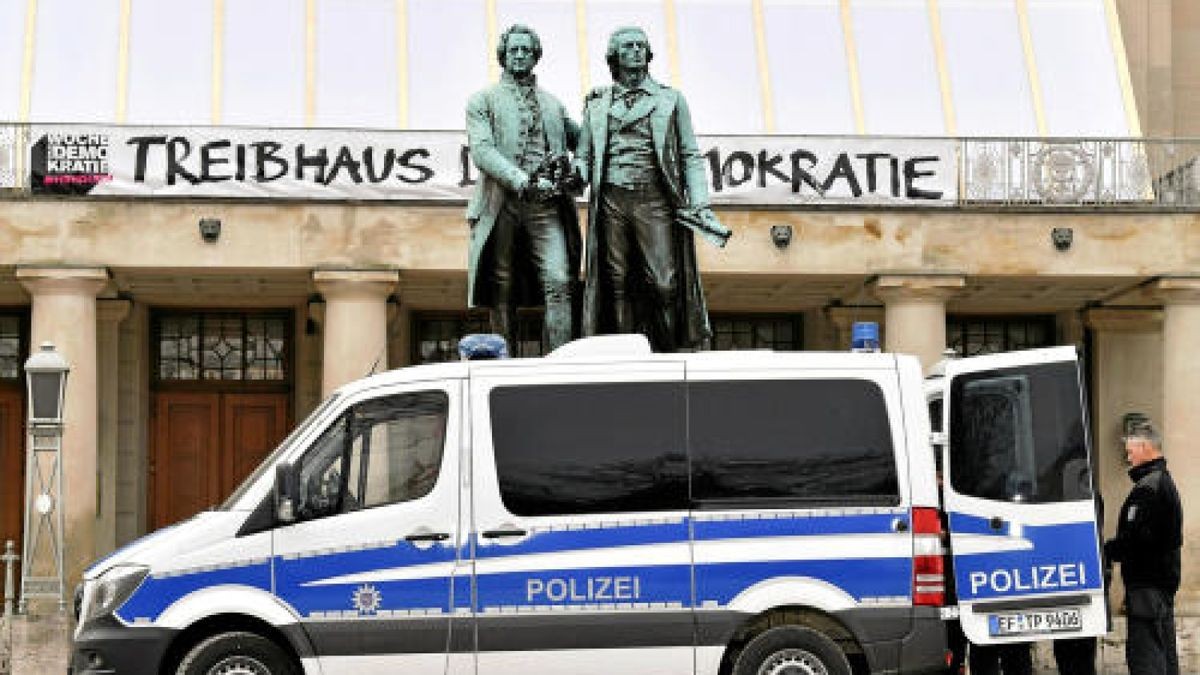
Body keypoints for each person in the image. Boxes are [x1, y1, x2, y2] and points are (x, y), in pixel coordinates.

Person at [572, 26, 729, 352]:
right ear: (614, 55)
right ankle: (624, 354)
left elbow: (690, 155)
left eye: (641, 45)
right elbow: (584, 158)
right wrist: (572, 172)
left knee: (664, 282)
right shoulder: (597, 104)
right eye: (628, 46)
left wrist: (699, 203)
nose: (635, 50)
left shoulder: (671, 99)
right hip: (612, 200)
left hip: (654, 200)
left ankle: (671, 351)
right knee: (616, 282)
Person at [465, 24, 581, 352]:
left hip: (547, 207)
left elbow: (584, 140)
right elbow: (483, 151)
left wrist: (579, 165)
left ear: (535, 56)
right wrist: (523, 181)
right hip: (502, 202)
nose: (519, 55)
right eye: (513, 50)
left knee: (559, 281)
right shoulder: (482, 100)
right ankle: (505, 362)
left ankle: (562, 361)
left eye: (525, 50)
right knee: (501, 286)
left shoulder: (553, 105)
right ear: (503, 55)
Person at [1104, 419, 1182, 675]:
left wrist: (1107, 550)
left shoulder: (1150, 487)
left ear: (1146, 447)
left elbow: (1137, 540)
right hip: (1158, 588)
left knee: (1146, 658)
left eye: (1130, 450)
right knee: (1164, 656)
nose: (1127, 457)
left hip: (1148, 589)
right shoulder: (1160, 482)